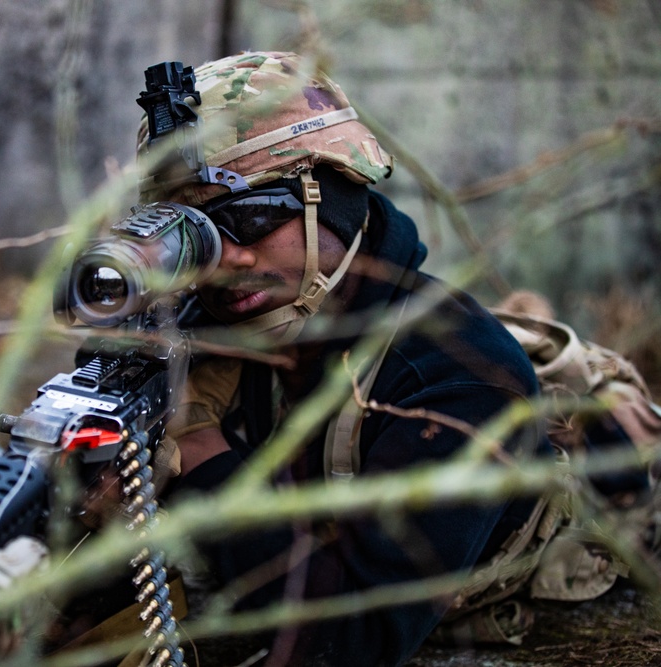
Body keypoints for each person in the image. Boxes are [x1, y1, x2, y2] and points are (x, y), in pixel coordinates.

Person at [136, 51, 549, 666]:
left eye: (249, 217)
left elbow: (354, 641)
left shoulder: (464, 377)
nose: (224, 260)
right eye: (191, 233)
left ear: (332, 193)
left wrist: (197, 452)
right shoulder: (211, 318)